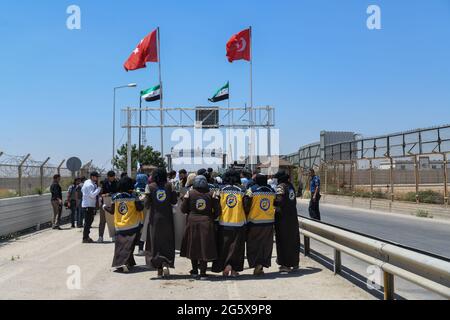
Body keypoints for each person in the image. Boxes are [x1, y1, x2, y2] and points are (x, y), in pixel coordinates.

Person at [180, 175, 220, 280]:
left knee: (194, 246)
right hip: (207, 223)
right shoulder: (212, 194)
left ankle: (194, 271)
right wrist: (211, 217)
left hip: (192, 223)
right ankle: (203, 272)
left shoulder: (190, 193)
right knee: (204, 246)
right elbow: (217, 211)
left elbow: (183, 209)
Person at [103, 177, 144, 273]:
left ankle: (125, 263)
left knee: (120, 246)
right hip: (133, 224)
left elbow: (112, 211)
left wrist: (104, 207)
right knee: (130, 245)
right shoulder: (134, 195)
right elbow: (139, 208)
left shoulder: (115, 196)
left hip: (120, 225)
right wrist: (142, 201)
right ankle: (125, 263)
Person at [212, 169, 247, 277]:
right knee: (237, 248)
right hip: (239, 222)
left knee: (224, 247)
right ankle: (234, 269)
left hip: (223, 222)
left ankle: (225, 266)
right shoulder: (242, 189)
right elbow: (246, 206)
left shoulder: (220, 189)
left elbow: (216, 205)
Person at [144, 168, 178, 278]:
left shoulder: (150, 187)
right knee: (167, 242)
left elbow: (147, 204)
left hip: (155, 219)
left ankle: (159, 269)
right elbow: (174, 201)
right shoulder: (170, 186)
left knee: (155, 243)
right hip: (167, 218)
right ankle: (165, 263)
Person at [244, 174, 276, 276]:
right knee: (266, 245)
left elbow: (246, 203)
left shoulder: (251, 190)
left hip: (254, 223)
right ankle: (262, 265)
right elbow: (275, 203)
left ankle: (256, 264)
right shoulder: (271, 190)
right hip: (269, 223)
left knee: (253, 245)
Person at [274, 171, 300, 274]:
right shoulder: (290, 186)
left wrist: (272, 201)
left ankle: (285, 265)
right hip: (292, 216)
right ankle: (294, 262)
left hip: (283, 217)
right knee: (293, 240)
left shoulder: (280, 187)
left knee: (283, 241)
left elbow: (279, 201)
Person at [81, 172, 102, 244]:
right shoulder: (89, 184)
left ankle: (86, 236)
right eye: (96, 177)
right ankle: (85, 237)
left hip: (90, 205)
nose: (97, 178)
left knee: (90, 220)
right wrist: (99, 188)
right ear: (92, 177)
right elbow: (92, 195)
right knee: (88, 222)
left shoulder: (89, 182)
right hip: (88, 205)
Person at [98, 171, 118, 243]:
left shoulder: (116, 182)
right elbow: (100, 193)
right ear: (108, 177)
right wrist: (103, 195)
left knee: (113, 221)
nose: (112, 178)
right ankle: (100, 236)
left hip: (113, 203)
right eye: (110, 177)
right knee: (102, 221)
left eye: (113, 177)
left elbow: (117, 192)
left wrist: (109, 194)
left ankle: (113, 236)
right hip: (104, 203)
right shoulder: (104, 182)